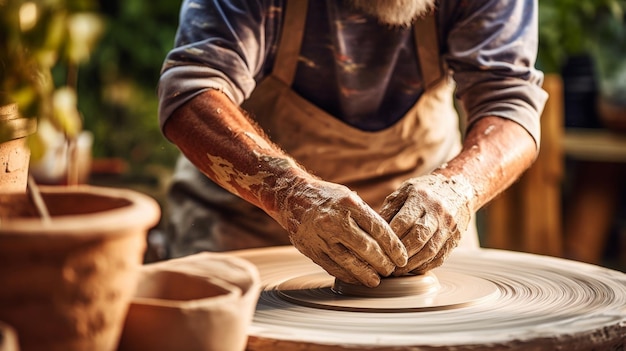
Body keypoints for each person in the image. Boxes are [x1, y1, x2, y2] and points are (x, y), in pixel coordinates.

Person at [158, 0, 548, 288]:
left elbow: (509, 103)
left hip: (425, 221)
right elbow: (191, 90)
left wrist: (457, 188)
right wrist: (291, 195)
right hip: (246, 220)